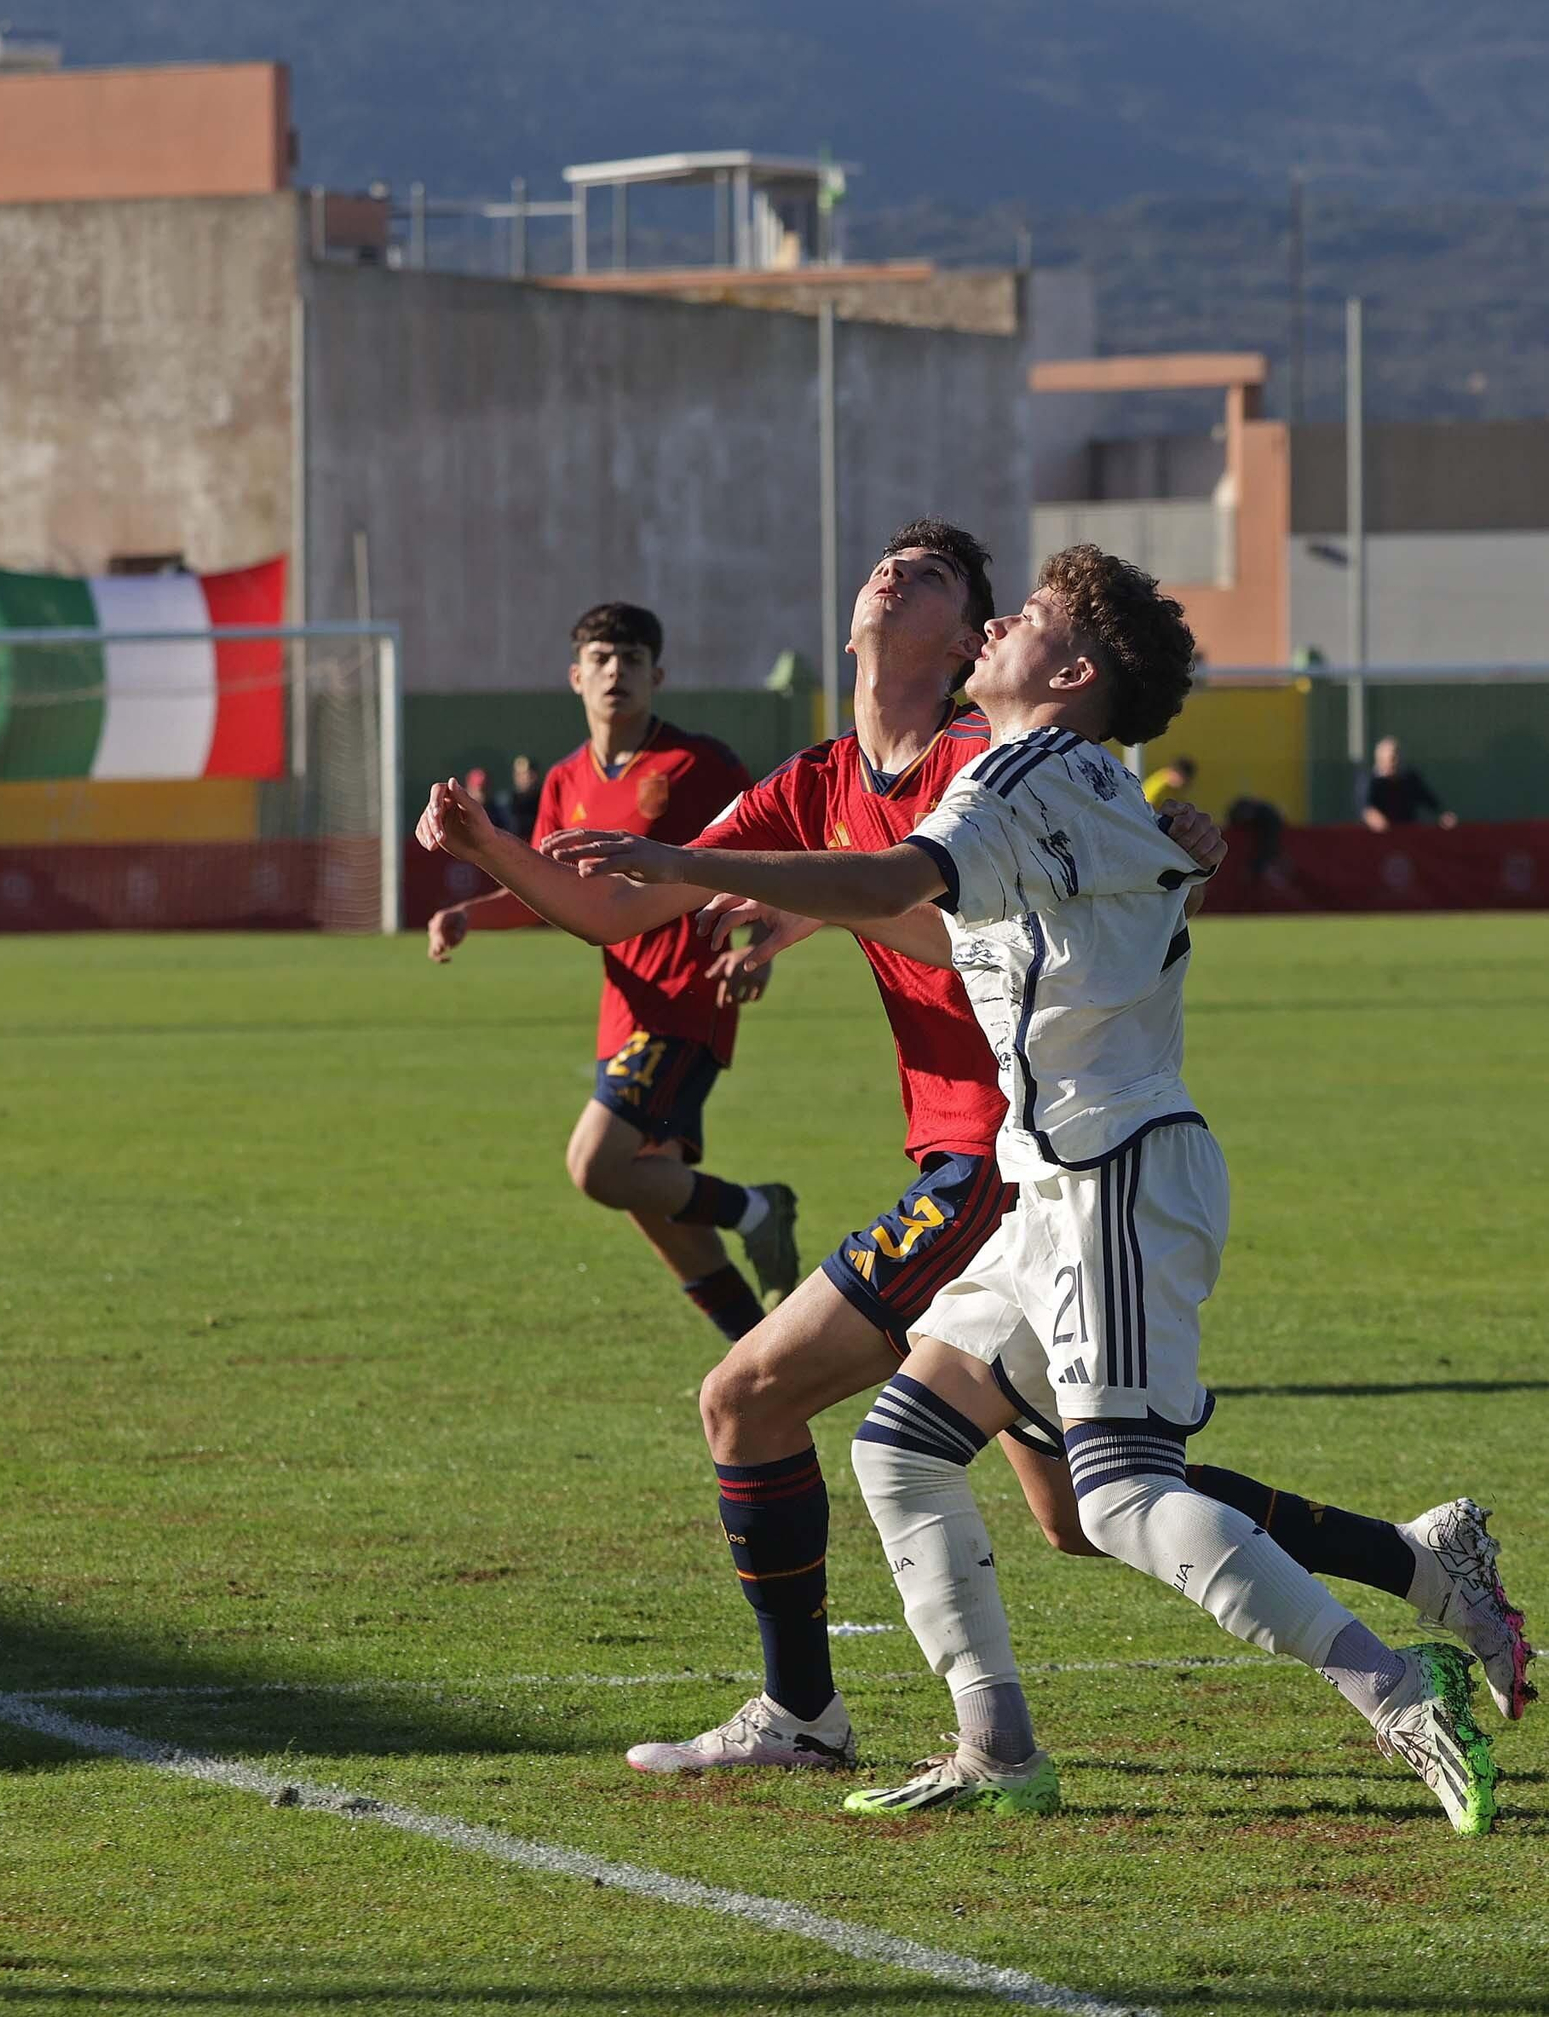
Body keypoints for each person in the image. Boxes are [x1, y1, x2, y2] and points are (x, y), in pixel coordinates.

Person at [416, 527, 1530, 1786]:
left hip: (1016, 1165)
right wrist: (491, 851)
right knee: (1053, 1501)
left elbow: (936, 889)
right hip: (1031, 1160)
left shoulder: (992, 758)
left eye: (938, 577)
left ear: (969, 643)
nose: (894, 575)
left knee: (766, 1402)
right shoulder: (833, 776)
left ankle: (812, 1711)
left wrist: (760, 881)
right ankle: (1408, 1568)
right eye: (886, 563)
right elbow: (643, 909)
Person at [426, 601, 799, 1343]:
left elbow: (761, 849)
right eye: (600, 658)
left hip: (685, 999)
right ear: (575, 676)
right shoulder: (565, 780)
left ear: (657, 675)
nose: (615, 672)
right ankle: (760, 1362)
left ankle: (757, 1207)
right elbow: (539, 888)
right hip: (621, 1011)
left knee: (597, 1165)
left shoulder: (697, 765)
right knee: (657, 1210)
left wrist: (759, 941)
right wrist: (471, 915)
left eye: (631, 659)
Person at [1360, 736, 1458, 831]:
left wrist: (1443, 815)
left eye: (1396, 757)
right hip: (1379, 836)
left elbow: (1429, 799)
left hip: (1408, 833)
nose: (1394, 762)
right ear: (1380, 760)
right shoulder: (1370, 780)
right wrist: (1376, 820)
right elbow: (1367, 808)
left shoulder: (1410, 779)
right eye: (1390, 759)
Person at [504, 753, 543, 838]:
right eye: (520, 774)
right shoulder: (506, 803)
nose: (525, 778)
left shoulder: (544, 800)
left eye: (528, 774)